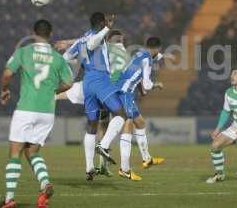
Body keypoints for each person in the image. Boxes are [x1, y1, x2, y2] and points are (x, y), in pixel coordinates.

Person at [0, 20, 73, 208]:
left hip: (26, 108)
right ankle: (44, 182)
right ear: (51, 34)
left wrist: (4, 90)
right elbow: (69, 83)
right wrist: (52, 91)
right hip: (47, 112)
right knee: (32, 152)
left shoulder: (24, 52)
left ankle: (9, 199)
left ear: (33, 33)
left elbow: (7, 74)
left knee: (15, 152)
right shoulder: (58, 57)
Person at [62, 12, 127, 177]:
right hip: (100, 79)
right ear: (100, 23)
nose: (108, 23)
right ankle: (103, 145)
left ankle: (89, 168)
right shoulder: (93, 37)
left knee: (92, 125)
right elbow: (91, 44)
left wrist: (80, 63)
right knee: (120, 114)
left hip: (88, 81)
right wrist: (107, 28)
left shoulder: (81, 40)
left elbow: (65, 57)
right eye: (105, 22)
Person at [116, 37, 165, 180]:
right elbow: (147, 84)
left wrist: (164, 56)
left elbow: (152, 59)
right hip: (124, 92)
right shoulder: (148, 59)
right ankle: (124, 168)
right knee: (128, 125)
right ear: (157, 48)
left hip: (124, 91)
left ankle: (147, 159)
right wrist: (157, 85)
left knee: (141, 123)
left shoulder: (140, 53)